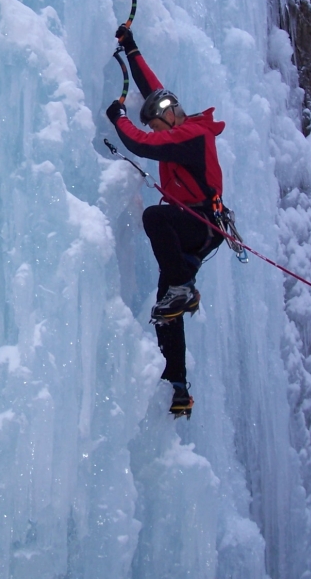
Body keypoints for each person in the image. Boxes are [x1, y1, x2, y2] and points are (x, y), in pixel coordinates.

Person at [106, 25, 225, 417]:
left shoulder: (191, 134)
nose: (156, 128)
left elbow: (140, 142)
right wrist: (132, 49)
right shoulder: (174, 123)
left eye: (160, 121)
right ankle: (178, 388)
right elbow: (153, 92)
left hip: (202, 223)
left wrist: (119, 118)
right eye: (154, 123)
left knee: (155, 217)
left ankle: (181, 286)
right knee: (165, 311)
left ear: (175, 114)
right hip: (193, 231)